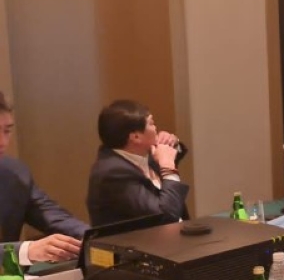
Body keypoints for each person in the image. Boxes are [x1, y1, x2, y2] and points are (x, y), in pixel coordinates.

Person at [0, 91, 88, 266]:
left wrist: (95, 238)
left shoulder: (14, 173)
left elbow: (54, 217)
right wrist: (26, 251)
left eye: (7, 131)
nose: (3, 142)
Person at [86, 100, 189, 227]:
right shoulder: (113, 174)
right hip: (144, 238)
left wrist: (173, 142)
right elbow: (166, 217)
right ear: (136, 137)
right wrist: (168, 169)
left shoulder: (142, 151)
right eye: (151, 123)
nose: (156, 128)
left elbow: (177, 152)